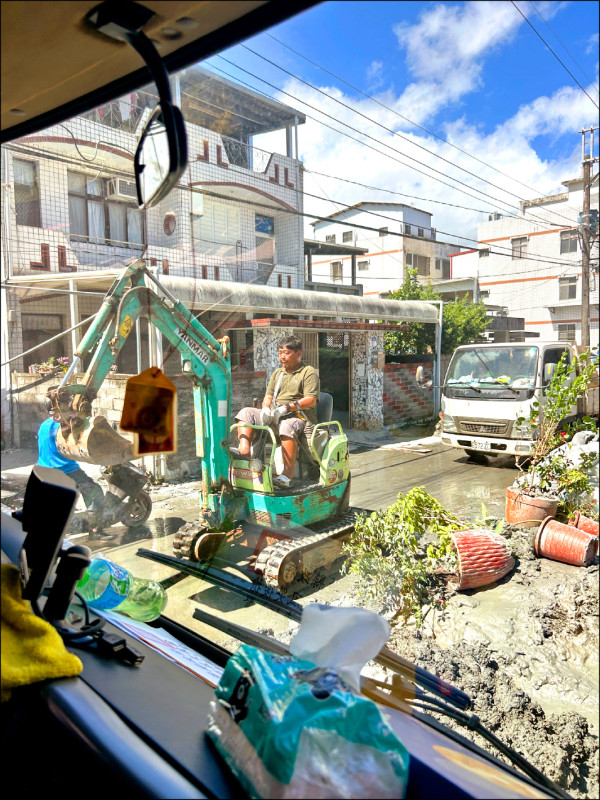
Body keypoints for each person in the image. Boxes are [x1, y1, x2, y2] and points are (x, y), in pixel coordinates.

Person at [235, 336, 319, 488]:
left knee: (287, 425)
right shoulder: (278, 373)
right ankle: (244, 453)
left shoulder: (308, 372)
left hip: (298, 417)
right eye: (280, 353)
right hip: (276, 415)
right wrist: (266, 408)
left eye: (286, 353)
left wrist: (286, 408)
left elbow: (311, 400)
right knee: (245, 413)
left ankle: (287, 476)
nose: (282, 357)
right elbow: (268, 396)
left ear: (298, 353)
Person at [37, 405, 106, 536]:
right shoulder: (62, 429)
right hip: (64, 470)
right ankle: (96, 531)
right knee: (95, 492)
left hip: (43, 470)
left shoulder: (45, 425)